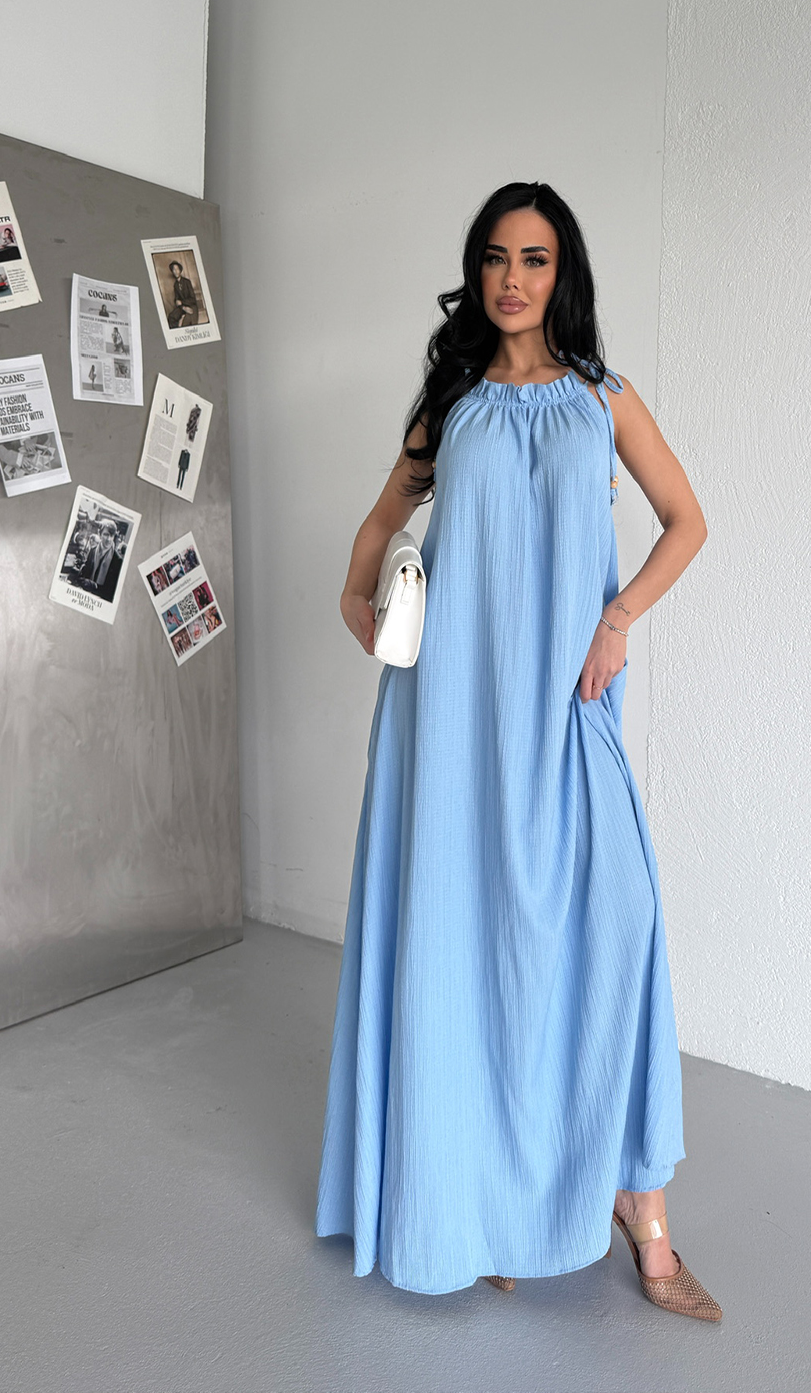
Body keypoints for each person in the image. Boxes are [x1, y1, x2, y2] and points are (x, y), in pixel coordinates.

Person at [316, 182, 720, 1320]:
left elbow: (687, 520)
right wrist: (360, 602)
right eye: (496, 257)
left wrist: (617, 619)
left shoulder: (603, 397)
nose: (512, 279)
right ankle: (483, 1195)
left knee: (615, 925)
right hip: (448, 717)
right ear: (477, 269)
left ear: (562, 272)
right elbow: (379, 525)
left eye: (534, 259)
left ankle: (638, 1204)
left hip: (563, 705)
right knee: (465, 941)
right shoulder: (450, 403)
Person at [165, 259, 199, 329]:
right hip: (182, 307)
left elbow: (193, 299)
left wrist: (182, 302)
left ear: (180, 270)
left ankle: (182, 318)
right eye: (174, 269)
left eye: (177, 269)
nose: (175, 271)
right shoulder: (175, 285)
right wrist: (183, 307)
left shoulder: (187, 282)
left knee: (186, 324)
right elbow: (177, 300)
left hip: (191, 306)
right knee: (171, 317)